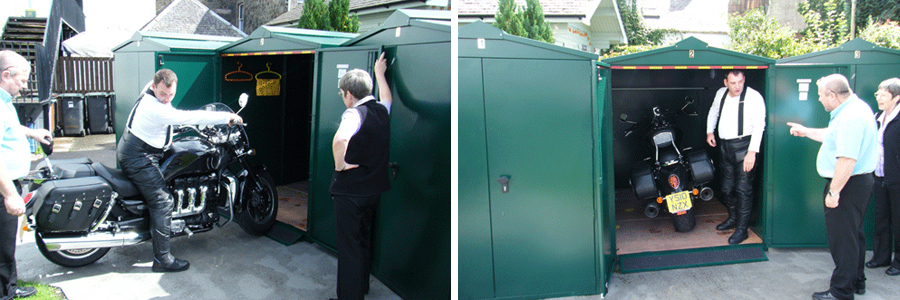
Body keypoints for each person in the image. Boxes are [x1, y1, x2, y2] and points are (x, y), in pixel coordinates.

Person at [117, 69, 241, 273]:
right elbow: (189, 117)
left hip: (138, 147)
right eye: (163, 94)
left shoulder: (150, 89)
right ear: (154, 86)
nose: (166, 99)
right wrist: (226, 117)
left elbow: (173, 116)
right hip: (139, 157)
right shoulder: (156, 108)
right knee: (162, 201)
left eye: (171, 95)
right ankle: (162, 259)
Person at [788, 74, 877, 300]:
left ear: (832, 95)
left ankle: (841, 291)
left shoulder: (850, 117)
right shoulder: (855, 109)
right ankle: (857, 281)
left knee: (843, 240)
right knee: (853, 235)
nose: (819, 100)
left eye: (820, 96)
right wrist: (806, 131)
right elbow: (833, 136)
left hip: (847, 184)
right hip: (857, 183)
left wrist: (834, 192)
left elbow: (847, 159)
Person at [329, 52, 391, 300]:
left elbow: (341, 139)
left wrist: (341, 165)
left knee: (349, 250)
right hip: (373, 191)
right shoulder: (380, 110)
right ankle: (361, 288)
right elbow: (386, 97)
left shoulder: (354, 113)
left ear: (349, 95)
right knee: (363, 242)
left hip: (351, 193)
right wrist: (380, 74)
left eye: (342, 93)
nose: (342, 97)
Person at [0, 50, 51, 299]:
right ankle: (4, 293)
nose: (24, 86)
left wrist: (32, 133)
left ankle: (10, 286)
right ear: (5, 75)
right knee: (2, 244)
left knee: (7, 242)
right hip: (3, 187)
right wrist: (10, 194)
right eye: (22, 80)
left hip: (8, 183)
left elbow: (9, 127)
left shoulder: (4, 101)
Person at [705, 70, 766, 244]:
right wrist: (710, 131)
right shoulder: (720, 94)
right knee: (726, 188)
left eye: (740, 81)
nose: (737, 86)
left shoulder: (754, 97)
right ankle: (732, 219)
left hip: (745, 147)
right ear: (726, 82)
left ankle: (742, 229)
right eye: (733, 83)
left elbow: (759, 126)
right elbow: (713, 112)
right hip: (725, 148)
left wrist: (752, 152)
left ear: (744, 79)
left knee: (743, 190)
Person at [867, 77, 900, 276]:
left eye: (884, 95)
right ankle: (881, 257)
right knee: (881, 218)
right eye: (877, 94)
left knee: (898, 220)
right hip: (879, 176)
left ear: (896, 97)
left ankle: (899, 261)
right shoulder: (878, 116)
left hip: (897, 179)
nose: (879, 98)